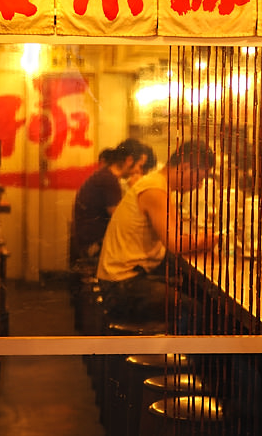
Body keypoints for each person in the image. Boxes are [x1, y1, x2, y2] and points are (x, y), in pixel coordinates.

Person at [97, 139, 217, 326]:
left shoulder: (157, 184)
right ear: (185, 167)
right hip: (121, 286)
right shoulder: (154, 189)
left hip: (122, 278)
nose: (200, 185)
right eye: (199, 178)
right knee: (195, 309)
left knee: (193, 289)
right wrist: (206, 240)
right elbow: (175, 243)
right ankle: (188, 354)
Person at [71, 138, 152, 271]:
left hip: (89, 242)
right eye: (139, 166)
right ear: (129, 160)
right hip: (94, 246)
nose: (138, 171)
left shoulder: (105, 176)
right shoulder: (108, 181)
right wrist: (135, 190)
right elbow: (120, 219)